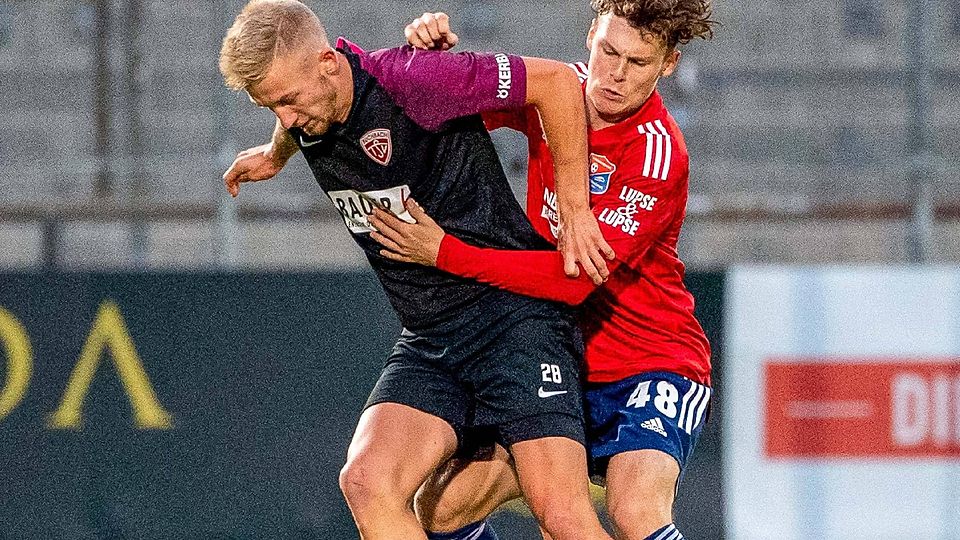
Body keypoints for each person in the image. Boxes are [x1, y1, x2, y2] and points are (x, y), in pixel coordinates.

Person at [218, 2, 617, 540]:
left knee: (563, 516)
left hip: (513, 321)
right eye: (272, 107)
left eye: (287, 101)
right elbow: (295, 115)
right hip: (434, 339)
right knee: (366, 480)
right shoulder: (309, 104)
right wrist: (276, 151)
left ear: (327, 64)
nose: (287, 117)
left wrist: (574, 209)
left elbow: (556, 82)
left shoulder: (415, 79)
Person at [370, 2, 715, 539]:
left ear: (668, 65)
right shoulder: (555, 93)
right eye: (608, 51)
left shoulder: (657, 155)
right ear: (589, 37)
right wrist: (432, 64)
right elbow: (451, 118)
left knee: (634, 509)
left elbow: (571, 281)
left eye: (639, 63)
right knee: (440, 510)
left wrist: (446, 253)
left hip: (650, 362)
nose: (616, 75)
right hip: (557, 359)